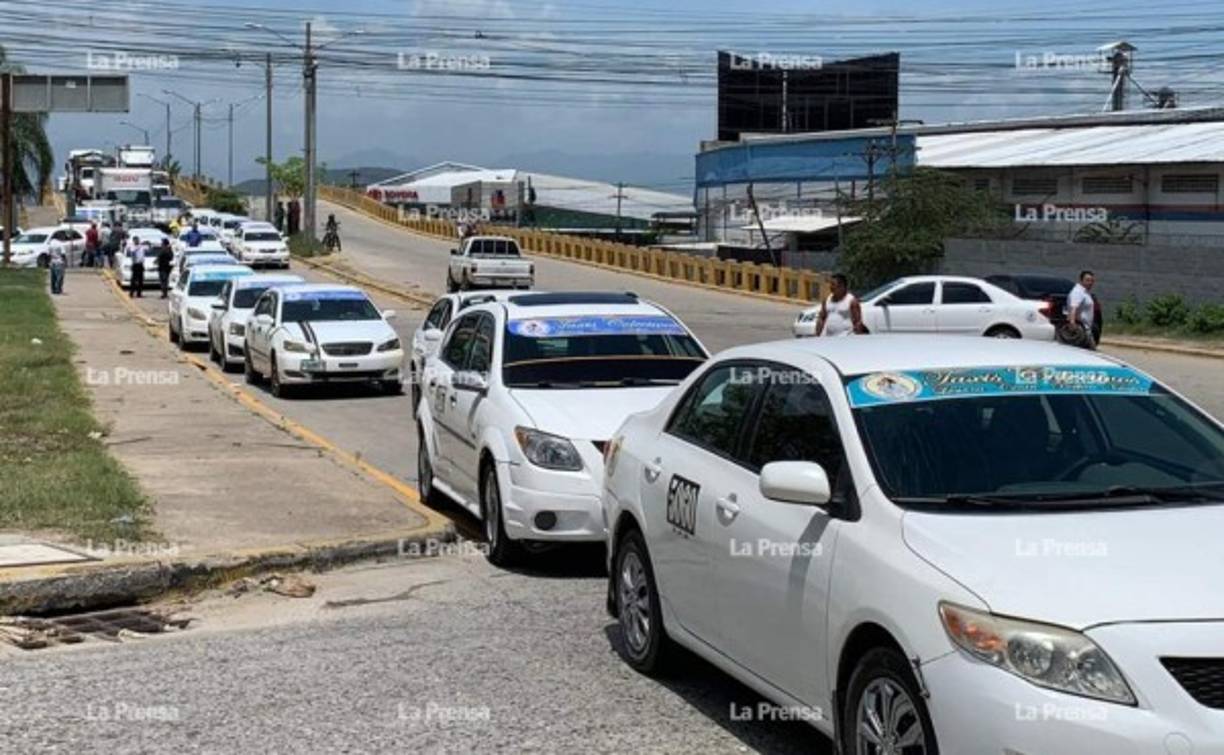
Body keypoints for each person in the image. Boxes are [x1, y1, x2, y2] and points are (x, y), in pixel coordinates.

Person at [1062, 270, 1098, 350]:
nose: (1090, 283)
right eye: (1087, 280)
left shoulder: (1085, 292)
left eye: (1092, 281)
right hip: (1080, 329)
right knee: (1090, 352)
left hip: (1086, 329)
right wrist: (1072, 324)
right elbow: (1073, 308)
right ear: (1081, 280)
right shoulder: (1078, 292)